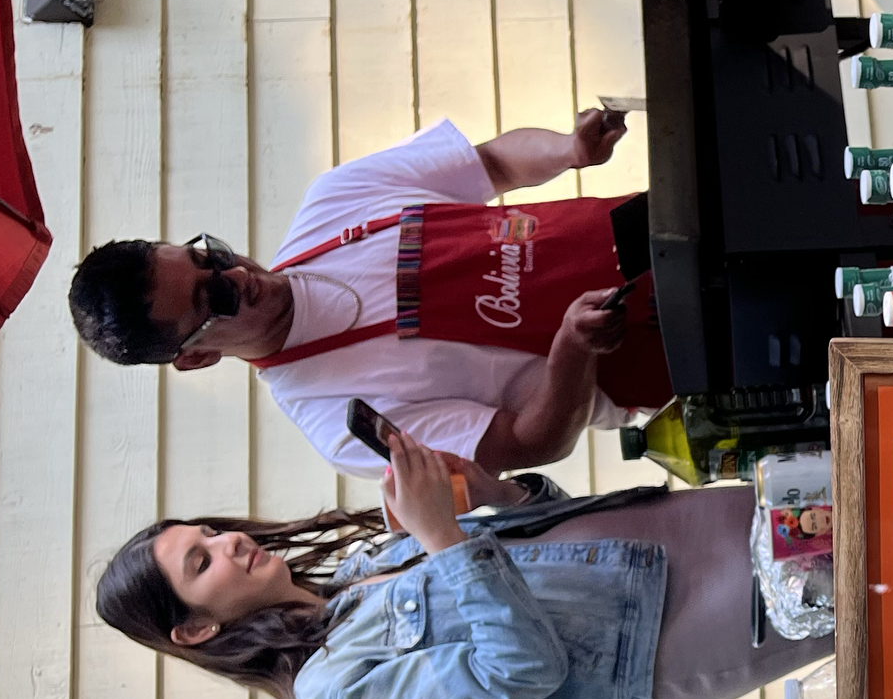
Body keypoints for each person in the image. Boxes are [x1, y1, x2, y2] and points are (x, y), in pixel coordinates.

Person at [94, 425, 827, 699]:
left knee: (876, 497)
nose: (228, 543)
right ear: (196, 630)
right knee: (880, 580)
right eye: (202, 563)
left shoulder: (362, 569)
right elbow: (521, 668)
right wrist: (444, 538)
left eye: (210, 533)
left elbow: (561, 561)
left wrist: (495, 496)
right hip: (690, 617)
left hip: (681, 525)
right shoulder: (334, 698)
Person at [66, 110, 670, 476]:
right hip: (668, 353)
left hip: (660, 226)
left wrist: (568, 150)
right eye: (212, 301)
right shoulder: (340, 420)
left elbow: (491, 164)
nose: (236, 277)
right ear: (196, 356)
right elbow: (529, 442)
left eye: (209, 257)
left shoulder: (332, 201)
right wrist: (572, 350)